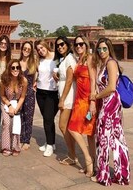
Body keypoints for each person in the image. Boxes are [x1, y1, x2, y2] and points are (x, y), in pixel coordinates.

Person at [90, 37, 130, 186]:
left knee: (104, 138)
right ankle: (121, 174)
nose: (101, 51)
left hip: (110, 104)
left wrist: (96, 96)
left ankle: (104, 175)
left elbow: (112, 87)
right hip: (108, 103)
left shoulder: (111, 63)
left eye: (104, 48)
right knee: (116, 139)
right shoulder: (104, 64)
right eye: (99, 49)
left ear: (109, 49)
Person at [68, 35, 97, 178]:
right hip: (79, 98)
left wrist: (92, 101)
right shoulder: (79, 59)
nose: (78, 47)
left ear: (86, 45)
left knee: (72, 128)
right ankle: (94, 164)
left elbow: (93, 80)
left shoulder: (90, 58)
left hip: (87, 100)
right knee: (89, 134)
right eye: (76, 45)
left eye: (81, 44)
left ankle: (88, 159)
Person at [53, 36, 83, 170]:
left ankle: (72, 155)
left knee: (62, 126)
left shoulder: (70, 58)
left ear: (67, 44)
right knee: (68, 127)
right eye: (58, 45)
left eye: (62, 44)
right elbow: (66, 78)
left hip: (68, 97)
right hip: (66, 95)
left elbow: (70, 80)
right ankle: (73, 154)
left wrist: (62, 99)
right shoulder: (64, 59)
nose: (60, 47)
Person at [35, 40, 58, 157]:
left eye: (42, 48)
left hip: (52, 92)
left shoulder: (56, 57)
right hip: (40, 91)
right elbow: (37, 74)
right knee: (47, 118)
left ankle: (49, 145)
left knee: (48, 118)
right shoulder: (39, 60)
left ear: (46, 46)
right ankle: (51, 142)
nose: (40, 50)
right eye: (38, 49)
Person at [0, 59, 27, 156]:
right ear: (9, 69)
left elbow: (22, 96)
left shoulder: (23, 80)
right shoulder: (4, 81)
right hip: (6, 103)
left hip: (17, 104)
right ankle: (6, 147)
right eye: (13, 68)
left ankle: (15, 146)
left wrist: (17, 108)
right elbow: (2, 96)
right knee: (7, 123)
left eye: (17, 67)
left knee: (16, 123)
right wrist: (10, 106)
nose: (15, 70)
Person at [18, 41, 38, 150]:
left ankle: (27, 140)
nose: (26, 51)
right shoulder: (17, 63)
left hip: (30, 92)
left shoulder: (33, 64)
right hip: (19, 93)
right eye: (25, 49)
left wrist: (37, 82)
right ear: (22, 50)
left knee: (28, 117)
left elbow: (45, 74)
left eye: (28, 49)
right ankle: (20, 138)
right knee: (19, 116)